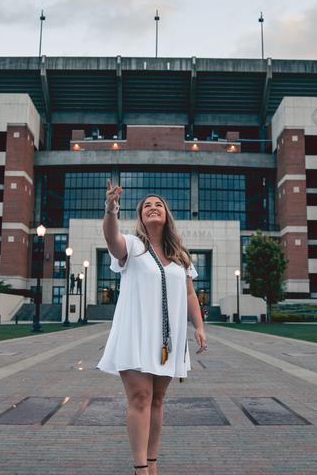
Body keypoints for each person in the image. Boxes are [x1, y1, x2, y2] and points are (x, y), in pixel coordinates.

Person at [97, 180, 207, 475]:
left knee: (158, 399)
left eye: (158, 205)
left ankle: (153, 460)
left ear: (166, 215)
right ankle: (140, 467)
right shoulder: (132, 247)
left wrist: (199, 326)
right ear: (141, 216)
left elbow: (188, 294)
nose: (153, 208)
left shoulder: (180, 256)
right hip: (135, 334)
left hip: (167, 340)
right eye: (147, 205)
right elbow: (111, 239)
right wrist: (111, 208)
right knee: (140, 397)